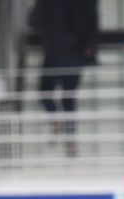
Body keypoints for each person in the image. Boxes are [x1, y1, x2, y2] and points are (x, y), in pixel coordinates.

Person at [29, 0, 98, 156]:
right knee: (69, 99)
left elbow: (34, 21)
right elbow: (93, 23)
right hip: (76, 56)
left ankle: (56, 119)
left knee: (45, 94)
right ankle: (71, 140)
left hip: (54, 55)